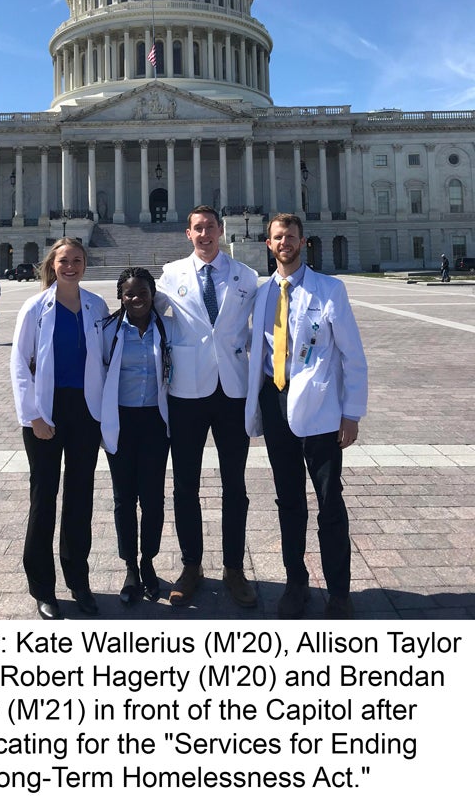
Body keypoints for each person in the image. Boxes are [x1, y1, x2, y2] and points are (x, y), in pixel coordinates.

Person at [245, 214, 368, 620]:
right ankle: (295, 581)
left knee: (330, 501)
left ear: (302, 242)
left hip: (320, 410)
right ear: (269, 244)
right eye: (278, 238)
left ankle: (338, 591)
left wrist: (351, 413)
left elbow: (353, 356)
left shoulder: (330, 289)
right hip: (275, 403)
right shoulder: (262, 294)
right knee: (289, 501)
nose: (285, 243)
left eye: (291, 237)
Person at [155, 205, 258, 608]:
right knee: (185, 486)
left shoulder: (246, 276)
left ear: (220, 229)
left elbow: (264, 326)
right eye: (197, 228)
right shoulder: (171, 274)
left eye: (210, 227)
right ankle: (191, 565)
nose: (204, 234)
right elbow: (145, 312)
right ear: (188, 233)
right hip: (187, 392)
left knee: (236, 486)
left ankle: (234, 568)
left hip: (232, 391)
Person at [10, 238, 108, 620]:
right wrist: (33, 415)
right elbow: (19, 364)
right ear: (52, 265)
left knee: (81, 497)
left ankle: (78, 580)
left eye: (77, 260)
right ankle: (42, 588)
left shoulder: (96, 306)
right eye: (64, 260)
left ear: (85, 264)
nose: (71, 266)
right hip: (46, 412)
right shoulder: (35, 307)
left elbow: (105, 359)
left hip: (84, 411)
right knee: (44, 497)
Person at [101, 268, 172, 603]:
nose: (136, 299)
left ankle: (149, 561)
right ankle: (130, 564)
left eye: (143, 292)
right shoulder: (109, 330)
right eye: (129, 293)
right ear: (121, 296)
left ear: (153, 294)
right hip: (121, 421)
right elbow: (94, 371)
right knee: (124, 498)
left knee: (153, 498)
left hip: (156, 422)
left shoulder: (166, 327)